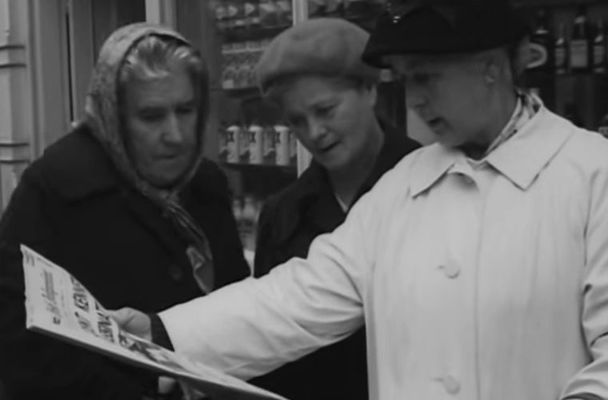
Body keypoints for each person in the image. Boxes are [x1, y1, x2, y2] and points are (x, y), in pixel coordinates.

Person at [114, 1, 608, 399]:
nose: (413, 98)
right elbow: (298, 297)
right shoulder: (405, 184)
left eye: (426, 76)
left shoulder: (590, 174)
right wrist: (160, 332)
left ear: (492, 68)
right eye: (407, 78)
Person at [0, 23, 249, 400]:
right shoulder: (58, 184)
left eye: (186, 110)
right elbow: (5, 327)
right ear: (112, 115)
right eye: (152, 116)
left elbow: (235, 300)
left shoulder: (206, 185)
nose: (176, 134)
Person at [249, 18, 418, 400]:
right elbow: (270, 351)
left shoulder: (431, 184)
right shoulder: (282, 215)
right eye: (297, 121)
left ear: (369, 89)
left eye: (325, 109)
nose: (314, 132)